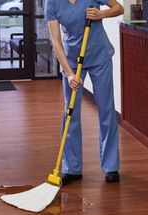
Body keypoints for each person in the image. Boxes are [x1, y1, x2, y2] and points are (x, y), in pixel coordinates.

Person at [44, 0, 124, 185]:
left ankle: (111, 166)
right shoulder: (52, 2)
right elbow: (56, 41)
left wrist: (100, 14)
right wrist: (70, 74)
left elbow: (119, 8)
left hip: (99, 57)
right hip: (72, 59)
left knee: (106, 110)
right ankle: (72, 168)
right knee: (70, 112)